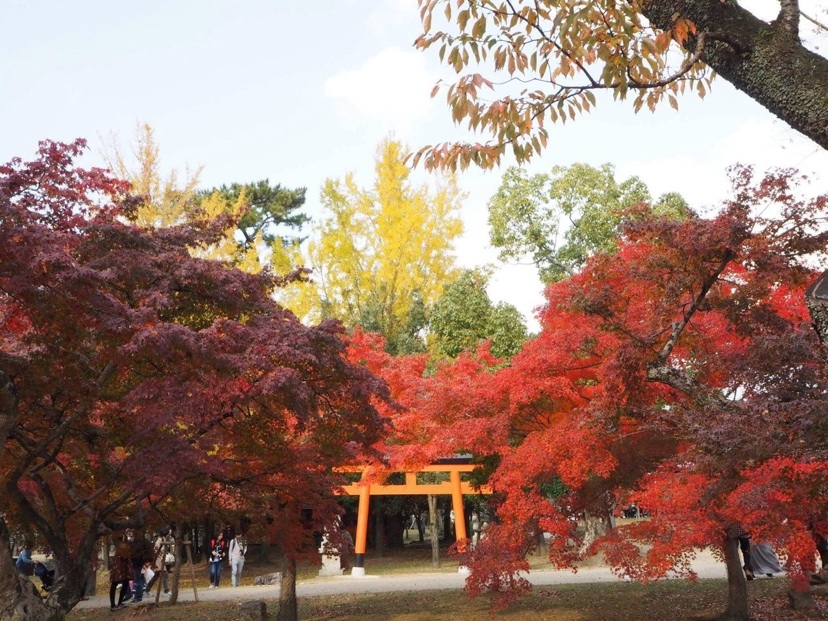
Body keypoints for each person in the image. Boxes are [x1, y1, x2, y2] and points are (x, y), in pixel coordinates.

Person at [145, 526, 174, 596]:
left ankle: (146, 590)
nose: (171, 531)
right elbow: (156, 549)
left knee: (156, 576)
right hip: (159, 559)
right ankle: (166, 591)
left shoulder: (165, 538)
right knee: (165, 574)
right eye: (169, 530)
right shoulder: (160, 539)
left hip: (161, 559)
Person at [109, 535, 132, 611]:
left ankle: (120, 603)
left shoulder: (126, 539)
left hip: (124, 563)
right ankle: (113, 605)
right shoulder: (119, 541)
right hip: (119, 563)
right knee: (115, 582)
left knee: (126, 582)